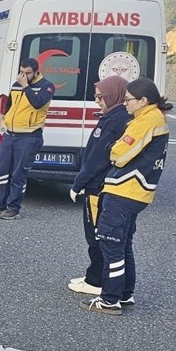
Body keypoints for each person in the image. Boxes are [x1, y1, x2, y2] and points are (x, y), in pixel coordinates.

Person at [82, 77, 172, 314]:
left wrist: (113, 147)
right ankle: (124, 294)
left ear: (143, 100)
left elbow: (119, 154)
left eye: (129, 100)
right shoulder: (155, 118)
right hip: (138, 192)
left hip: (123, 190)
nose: (125, 104)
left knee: (111, 245)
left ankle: (109, 300)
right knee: (123, 245)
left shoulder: (144, 121)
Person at [67, 76, 130, 298]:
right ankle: (95, 276)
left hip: (99, 186)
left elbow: (98, 158)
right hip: (101, 185)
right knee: (99, 235)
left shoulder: (115, 121)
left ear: (113, 95)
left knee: (96, 235)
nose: (97, 101)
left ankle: (96, 280)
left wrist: (79, 183)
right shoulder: (113, 116)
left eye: (100, 96)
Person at [0, 57, 55, 219]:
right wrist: (5, 121)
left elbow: (38, 103)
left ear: (36, 72)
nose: (23, 76)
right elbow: (9, 105)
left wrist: (26, 87)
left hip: (29, 136)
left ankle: (14, 208)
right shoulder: (16, 85)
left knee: (18, 173)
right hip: (10, 134)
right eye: (21, 72)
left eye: (27, 73)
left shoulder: (47, 86)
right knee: (2, 170)